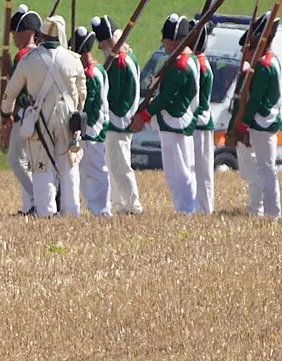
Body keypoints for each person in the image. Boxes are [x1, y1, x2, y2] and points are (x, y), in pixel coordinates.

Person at [0, 12, 84, 217]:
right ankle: (71, 210)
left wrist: (5, 113)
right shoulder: (73, 59)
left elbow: (10, 92)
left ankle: (46, 211)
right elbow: (82, 95)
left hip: (39, 116)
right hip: (68, 116)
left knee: (40, 164)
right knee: (68, 164)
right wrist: (77, 114)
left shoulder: (29, 59)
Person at [145, 15, 202, 215]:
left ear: (176, 40)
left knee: (178, 172)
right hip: (180, 119)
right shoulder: (189, 60)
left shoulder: (180, 65)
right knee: (181, 170)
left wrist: (145, 114)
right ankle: (186, 208)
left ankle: (185, 209)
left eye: (166, 38)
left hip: (174, 120)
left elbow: (165, 97)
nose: (163, 42)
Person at [229, 14, 282, 219]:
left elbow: (255, 101)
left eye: (249, 48)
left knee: (266, 170)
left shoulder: (263, 66)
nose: (246, 52)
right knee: (265, 170)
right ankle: (264, 210)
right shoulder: (269, 61)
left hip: (262, 122)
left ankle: (271, 213)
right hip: (264, 121)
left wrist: (241, 127)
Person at [94, 16, 144, 215]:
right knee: (114, 164)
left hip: (118, 119)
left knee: (120, 165)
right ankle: (121, 203)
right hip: (119, 119)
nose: (101, 47)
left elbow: (113, 94)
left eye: (103, 42)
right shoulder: (125, 58)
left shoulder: (119, 62)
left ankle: (133, 204)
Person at [2, 6, 37, 214]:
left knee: (15, 160)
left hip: (24, 114)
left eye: (16, 32)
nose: (14, 37)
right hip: (31, 114)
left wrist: (7, 114)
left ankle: (36, 198)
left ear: (28, 32)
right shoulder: (32, 53)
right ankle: (35, 202)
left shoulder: (23, 55)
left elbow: (16, 86)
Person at [75, 25, 111, 216]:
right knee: (87, 172)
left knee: (96, 171)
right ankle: (95, 208)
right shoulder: (96, 69)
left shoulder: (90, 74)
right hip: (93, 128)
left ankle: (102, 210)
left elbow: (89, 105)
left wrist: (81, 126)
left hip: (91, 129)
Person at [190, 25, 217, 214]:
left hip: (199, 121)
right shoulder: (199, 63)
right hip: (200, 121)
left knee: (201, 169)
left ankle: (204, 207)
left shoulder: (199, 65)